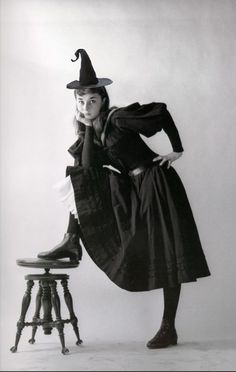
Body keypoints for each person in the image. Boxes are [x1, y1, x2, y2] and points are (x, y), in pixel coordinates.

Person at [38, 49, 211, 349]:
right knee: (80, 177)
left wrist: (177, 150)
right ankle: (70, 240)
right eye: (81, 101)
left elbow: (161, 111)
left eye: (93, 100)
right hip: (135, 187)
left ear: (103, 100)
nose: (87, 105)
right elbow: (88, 168)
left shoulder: (118, 118)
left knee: (168, 250)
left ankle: (168, 328)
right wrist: (88, 127)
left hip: (157, 182)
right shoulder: (96, 129)